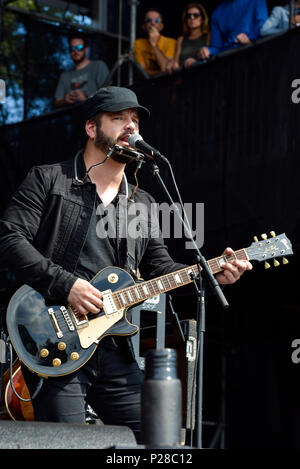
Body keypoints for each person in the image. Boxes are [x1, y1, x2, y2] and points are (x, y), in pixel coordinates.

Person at [0, 86, 252, 443]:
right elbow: (9, 239)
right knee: (68, 442)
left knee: (156, 442)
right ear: (92, 128)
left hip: (116, 349)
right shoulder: (49, 180)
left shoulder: (141, 203)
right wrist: (65, 284)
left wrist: (211, 274)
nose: (130, 127)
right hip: (56, 340)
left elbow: (160, 267)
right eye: (118, 119)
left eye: (134, 120)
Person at [198, 0, 268, 60]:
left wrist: (249, 40)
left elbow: (263, 30)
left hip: (255, 54)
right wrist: (206, 51)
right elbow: (216, 47)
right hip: (228, 59)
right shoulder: (217, 13)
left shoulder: (256, 1)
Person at [54, 35, 109, 108]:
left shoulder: (98, 66)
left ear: (86, 50)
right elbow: (57, 102)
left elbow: (108, 94)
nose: (76, 51)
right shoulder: (65, 76)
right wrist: (65, 100)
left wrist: (86, 98)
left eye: (79, 48)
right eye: (72, 48)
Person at [167, 3, 210, 73]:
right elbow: (176, 63)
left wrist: (195, 62)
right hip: (184, 77)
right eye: (188, 16)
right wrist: (172, 64)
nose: (192, 18)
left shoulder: (208, 36)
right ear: (185, 20)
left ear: (202, 19)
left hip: (203, 75)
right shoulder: (181, 39)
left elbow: (210, 57)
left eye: (196, 15)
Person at [134, 9, 176, 77]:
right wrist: (161, 73)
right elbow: (141, 72)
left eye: (157, 20)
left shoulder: (171, 42)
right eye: (148, 20)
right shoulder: (138, 43)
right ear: (144, 26)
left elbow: (165, 67)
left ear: (161, 26)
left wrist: (154, 45)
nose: (153, 23)